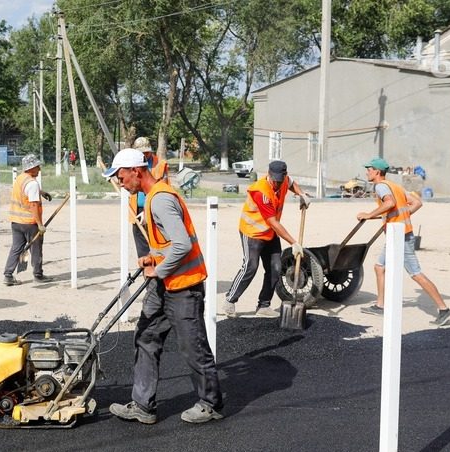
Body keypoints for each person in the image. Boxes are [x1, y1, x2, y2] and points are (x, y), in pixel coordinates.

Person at [104, 148, 223, 424]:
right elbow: (168, 245)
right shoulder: (147, 199)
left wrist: (160, 269)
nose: (120, 183)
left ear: (137, 171)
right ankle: (143, 405)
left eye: (121, 177)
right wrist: (152, 257)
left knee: (193, 346)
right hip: (164, 285)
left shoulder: (160, 200)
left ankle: (211, 404)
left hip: (184, 286)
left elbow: (183, 244)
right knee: (146, 335)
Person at [357, 157, 450, 326]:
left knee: (415, 273)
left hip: (400, 237)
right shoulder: (395, 186)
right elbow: (417, 203)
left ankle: (444, 309)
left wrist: (369, 214)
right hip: (400, 233)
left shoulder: (380, 186)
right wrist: (400, 216)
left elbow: (390, 203)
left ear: (377, 172)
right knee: (379, 267)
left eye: (369, 169)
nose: (367, 172)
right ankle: (380, 306)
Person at [223, 160, 310, 318]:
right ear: (268, 175)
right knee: (250, 266)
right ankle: (230, 300)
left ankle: (263, 305)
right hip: (252, 233)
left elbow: (291, 183)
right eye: (274, 180)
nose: (277, 184)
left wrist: (301, 194)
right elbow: (272, 221)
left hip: (269, 232)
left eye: (280, 180)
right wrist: (294, 243)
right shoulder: (260, 191)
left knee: (275, 268)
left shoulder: (284, 180)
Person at [2, 153, 53, 286]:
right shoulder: (32, 183)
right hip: (30, 223)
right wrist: (40, 224)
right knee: (36, 248)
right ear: (30, 168)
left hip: (16, 221)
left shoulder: (20, 178)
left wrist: (42, 192)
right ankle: (38, 275)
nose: (39, 169)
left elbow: (25, 191)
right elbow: (34, 205)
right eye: (37, 167)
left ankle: (8, 275)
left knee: (16, 248)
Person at [129, 136, 169, 258]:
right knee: (142, 250)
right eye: (142, 153)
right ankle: (147, 274)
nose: (145, 155)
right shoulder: (131, 164)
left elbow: (163, 190)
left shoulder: (160, 165)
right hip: (137, 210)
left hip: (154, 210)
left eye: (147, 152)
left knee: (156, 247)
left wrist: (148, 212)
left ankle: (157, 272)